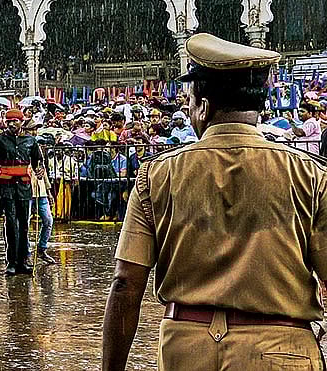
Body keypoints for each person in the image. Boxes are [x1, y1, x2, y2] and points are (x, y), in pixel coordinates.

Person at [102, 33, 327, 371]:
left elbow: (125, 284)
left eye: (189, 102)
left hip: (187, 352)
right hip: (283, 351)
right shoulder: (311, 175)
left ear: (204, 107)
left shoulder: (157, 175)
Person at [0, 108, 41, 275]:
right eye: (9, 121)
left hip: (24, 187)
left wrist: (40, 170)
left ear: (21, 122)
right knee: (11, 224)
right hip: (6, 186)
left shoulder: (30, 140)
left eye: (15, 121)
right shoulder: (0, 139)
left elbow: (37, 162)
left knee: (24, 225)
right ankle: (11, 262)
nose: (12, 124)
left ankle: (23, 262)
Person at [30, 144, 57, 264]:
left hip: (41, 192)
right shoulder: (25, 151)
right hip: (27, 192)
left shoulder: (41, 157)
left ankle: (42, 248)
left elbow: (44, 173)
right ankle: (25, 252)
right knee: (24, 223)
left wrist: (49, 191)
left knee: (48, 220)